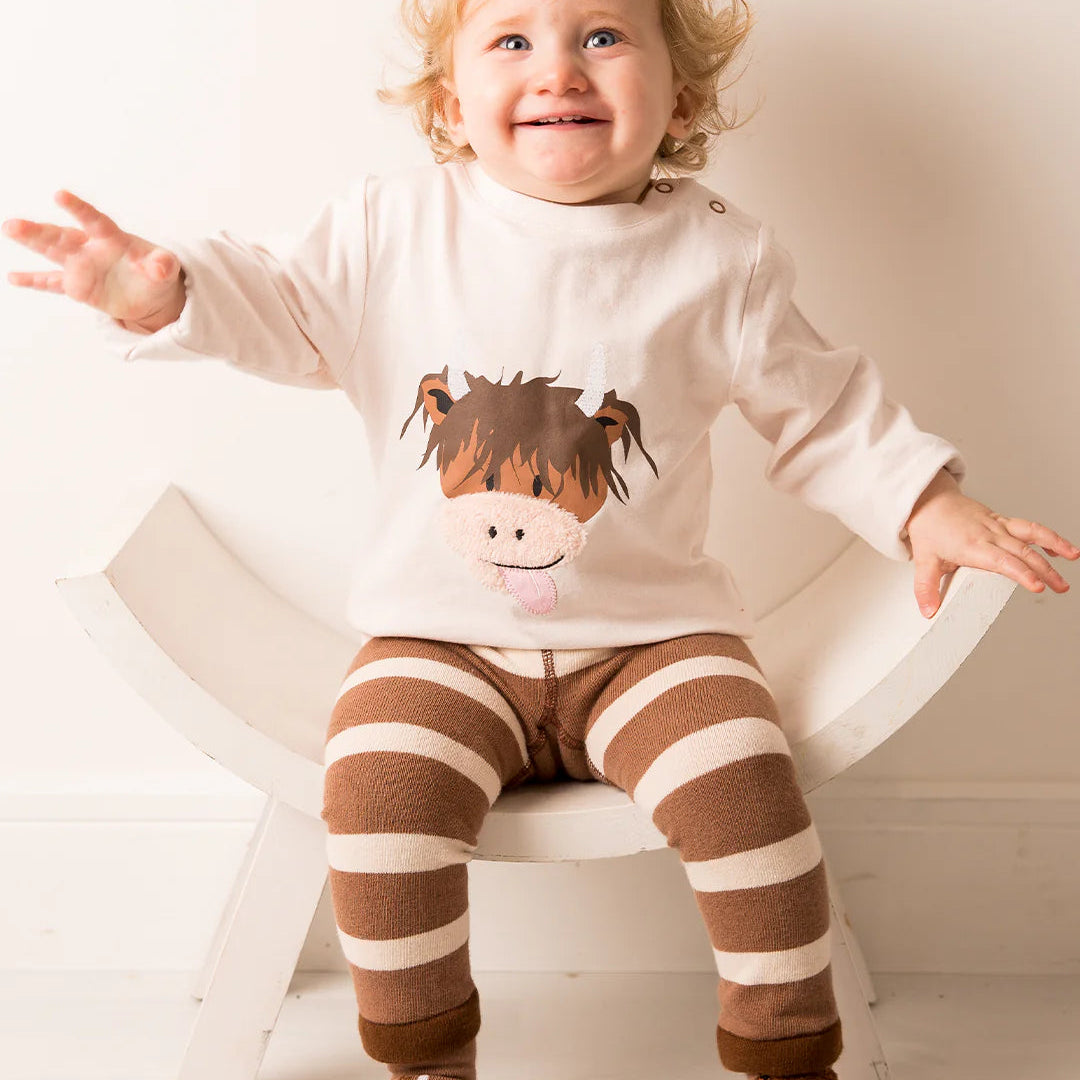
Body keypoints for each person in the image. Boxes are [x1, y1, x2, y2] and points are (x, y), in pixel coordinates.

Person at [5, 1, 1076, 1077]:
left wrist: (927, 504)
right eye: (512, 40)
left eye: (602, 37)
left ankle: (786, 1050)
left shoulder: (720, 258)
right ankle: (429, 1059)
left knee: (743, 780)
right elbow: (275, 304)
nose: (559, 69)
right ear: (450, 105)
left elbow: (823, 409)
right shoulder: (393, 230)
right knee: (377, 794)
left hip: (655, 643)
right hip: (437, 643)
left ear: (681, 98)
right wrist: (162, 295)